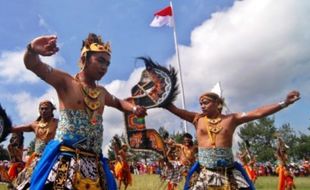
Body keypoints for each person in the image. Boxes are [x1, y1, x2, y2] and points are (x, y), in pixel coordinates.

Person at [23, 33, 146, 190]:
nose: (104, 67)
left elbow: (118, 102)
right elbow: (34, 65)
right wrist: (32, 49)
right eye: (100, 61)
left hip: (95, 162)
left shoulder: (102, 92)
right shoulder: (66, 82)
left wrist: (134, 108)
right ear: (84, 60)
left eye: (107, 64)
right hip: (66, 159)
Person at [163, 90, 300, 190]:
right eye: (200, 104)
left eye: (205, 103)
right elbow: (175, 109)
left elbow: (258, 112)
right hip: (204, 171)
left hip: (228, 171)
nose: (202, 106)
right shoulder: (197, 119)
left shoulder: (232, 119)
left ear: (217, 103)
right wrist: (161, 100)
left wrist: (285, 103)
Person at [10, 100, 58, 189]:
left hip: (51, 160)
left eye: (46, 108)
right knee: (24, 184)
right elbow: (16, 129)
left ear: (52, 110)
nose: (43, 111)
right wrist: (6, 127)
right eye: (41, 109)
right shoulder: (35, 125)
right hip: (36, 160)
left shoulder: (57, 123)